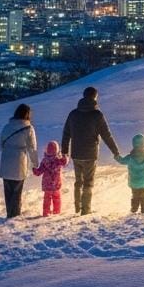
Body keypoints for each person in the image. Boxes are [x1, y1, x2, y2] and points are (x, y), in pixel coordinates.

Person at [61, 85, 121, 215]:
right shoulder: (97, 115)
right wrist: (115, 151)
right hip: (90, 154)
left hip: (76, 153)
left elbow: (66, 133)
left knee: (78, 181)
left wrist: (64, 151)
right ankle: (85, 209)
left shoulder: (73, 114)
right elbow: (106, 135)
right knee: (88, 182)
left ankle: (77, 206)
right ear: (95, 97)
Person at [0, 103, 38, 218]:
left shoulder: (7, 126)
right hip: (19, 160)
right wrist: (35, 164)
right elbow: (32, 148)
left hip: (6, 160)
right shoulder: (29, 128)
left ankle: (9, 213)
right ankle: (14, 215)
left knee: (8, 190)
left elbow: (1, 145)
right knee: (17, 189)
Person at [115, 133, 144, 214]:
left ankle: (134, 209)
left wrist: (117, 157)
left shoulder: (130, 157)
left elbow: (122, 161)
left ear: (133, 144)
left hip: (134, 182)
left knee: (135, 196)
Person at [33, 140, 68, 217]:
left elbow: (38, 172)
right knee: (57, 198)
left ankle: (46, 212)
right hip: (56, 183)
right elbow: (65, 162)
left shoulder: (44, 161)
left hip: (47, 184)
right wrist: (65, 155)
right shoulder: (58, 160)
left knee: (47, 199)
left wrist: (34, 169)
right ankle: (56, 211)